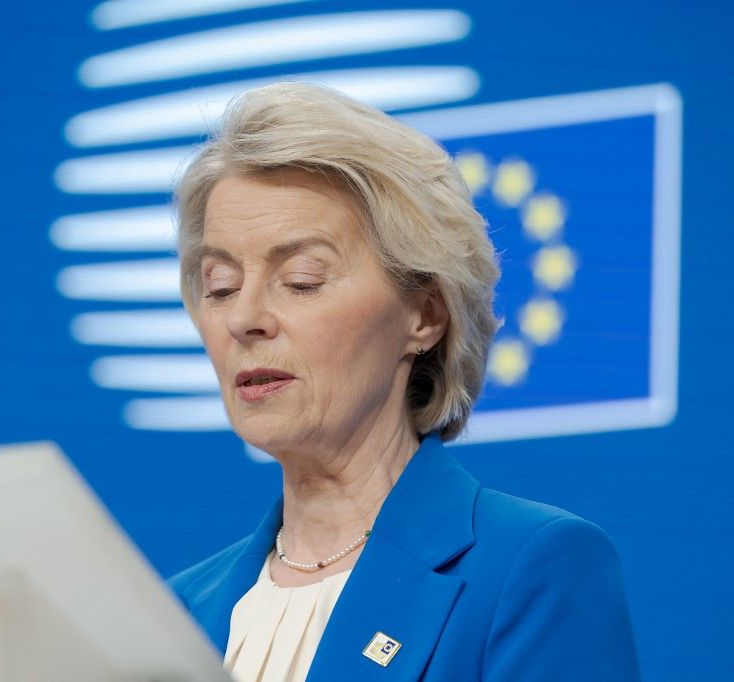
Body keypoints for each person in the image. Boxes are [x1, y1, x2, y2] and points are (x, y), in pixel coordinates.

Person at [169, 82, 640, 681]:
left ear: (425, 315)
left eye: (303, 279)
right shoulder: (173, 611)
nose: (244, 319)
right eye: (221, 287)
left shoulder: (531, 569)